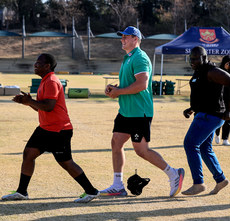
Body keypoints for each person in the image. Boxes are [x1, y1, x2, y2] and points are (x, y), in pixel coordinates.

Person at [1, 53, 99, 203]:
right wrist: (26, 102)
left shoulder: (52, 81)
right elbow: (41, 107)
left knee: (66, 163)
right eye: (36, 62)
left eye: (38, 63)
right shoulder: (45, 81)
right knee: (28, 154)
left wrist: (30, 101)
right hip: (46, 128)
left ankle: (91, 191)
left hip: (59, 130)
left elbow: (48, 107)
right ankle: (22, 192)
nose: (35, 65)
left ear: (47, 66)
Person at [100, 26, 185, 198]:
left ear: (135, 39)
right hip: (126, 111)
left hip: (139, 112)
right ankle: (118, 185)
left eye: (126, 37)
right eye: (121, 37)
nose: (122, 39)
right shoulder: (128, 58)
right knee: (116, 143)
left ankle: (174, 174)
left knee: (142, 150)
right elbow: (131, 83)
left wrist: (119, 92)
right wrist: (115, 89)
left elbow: (142, 85)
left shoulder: (140, 57)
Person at [182, 46, 230, 196]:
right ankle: (221, 180)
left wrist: (229, 110)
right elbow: (203, 93)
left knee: (190, 144)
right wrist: (192, 108)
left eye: (196, 58)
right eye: (191, 59)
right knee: (204, 148)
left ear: (204, 58)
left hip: (211, 115)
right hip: (203, 114)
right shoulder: (199, 71)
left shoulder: (212, 71)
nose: (192, 61)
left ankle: (198, 183)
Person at [215, 55, 230, 146]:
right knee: (219, 119)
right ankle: (217, 134)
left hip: (229, 99)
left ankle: (225, 139)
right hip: (221, 99)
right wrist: (225, 69)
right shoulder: (219, 71)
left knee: (228, 120)